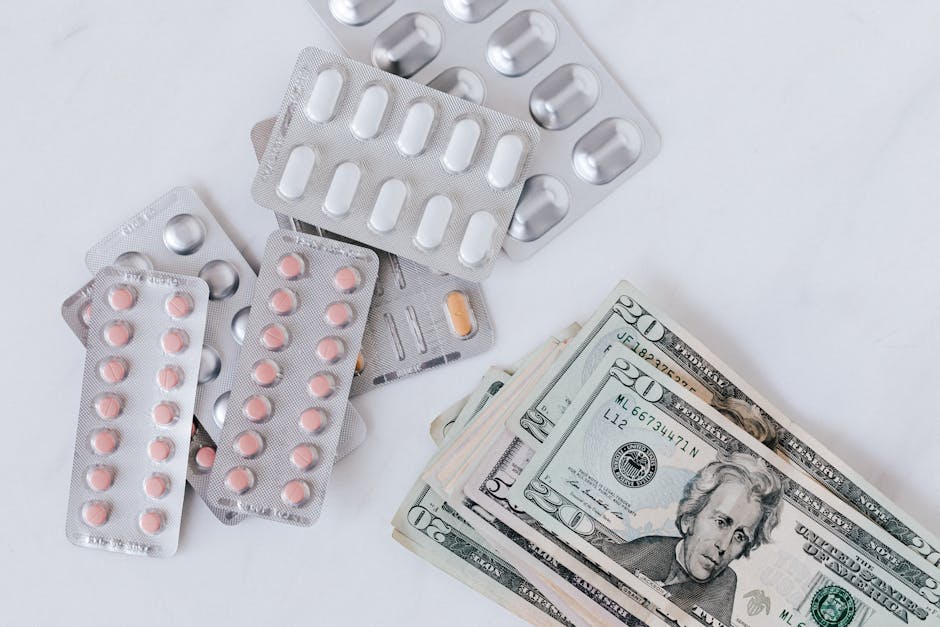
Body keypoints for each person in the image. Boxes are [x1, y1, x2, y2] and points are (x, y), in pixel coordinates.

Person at [601, 452, 783, 625]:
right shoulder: (649, 547)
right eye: (721, 522)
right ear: (689, 519)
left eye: (740, 536)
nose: (723, 545)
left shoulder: (722, 589)